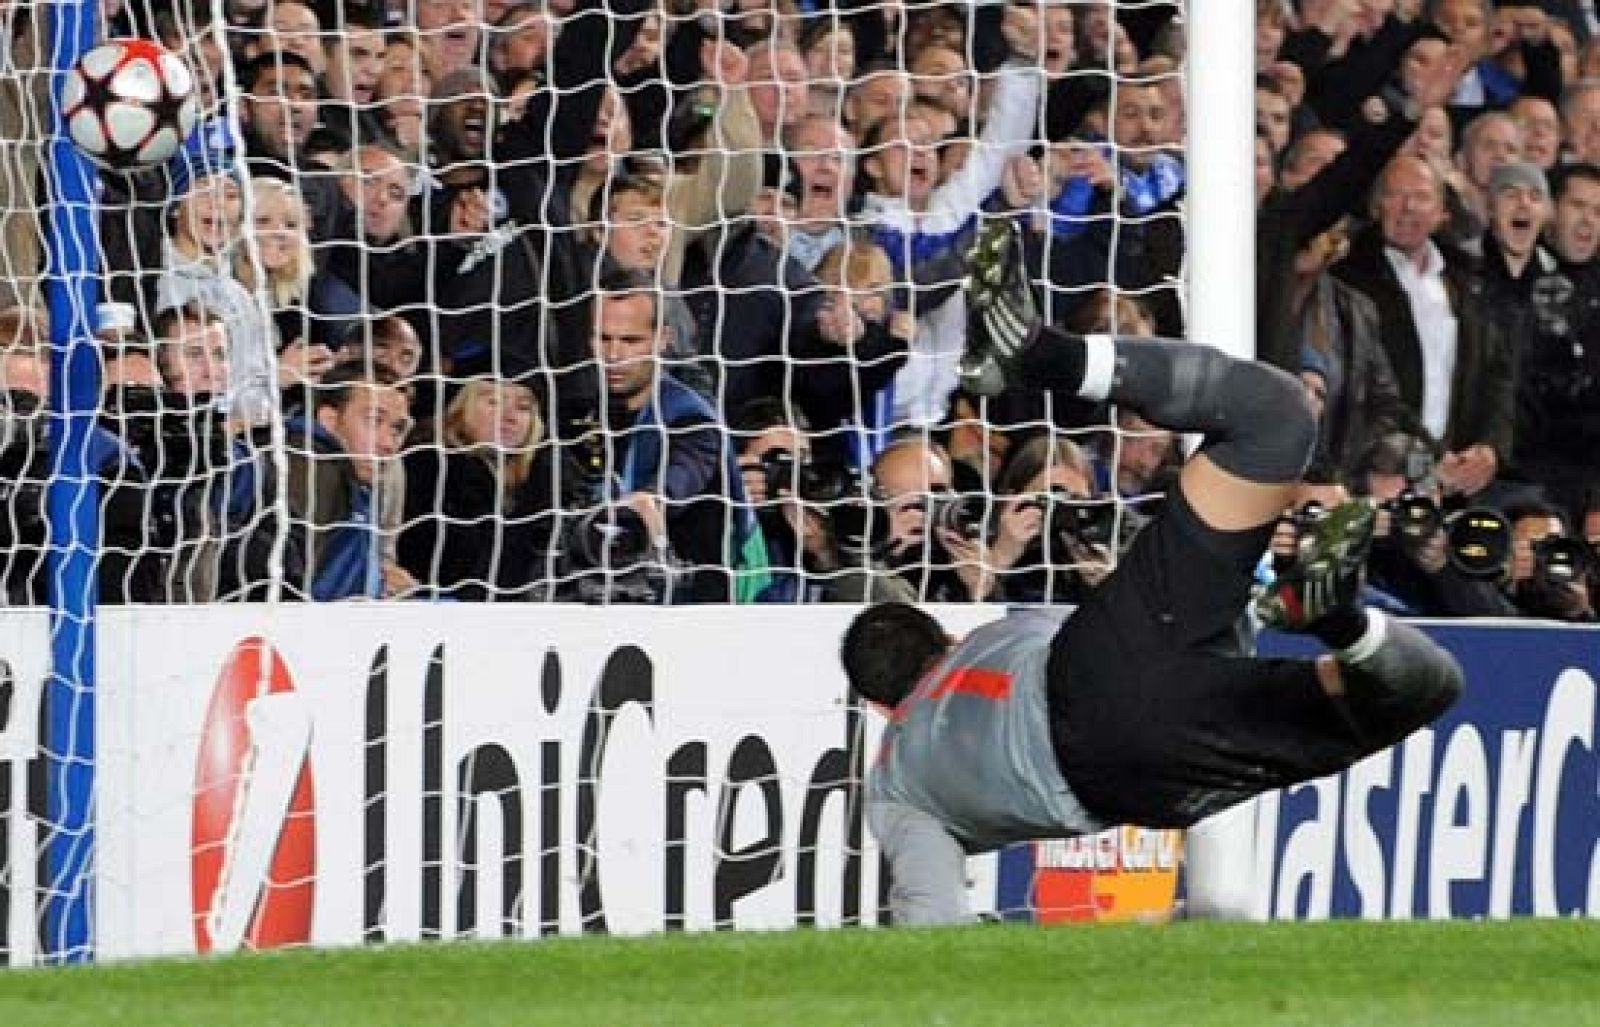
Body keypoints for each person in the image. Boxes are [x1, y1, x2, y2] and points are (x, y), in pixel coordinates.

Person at [844, 221, 1464, 926]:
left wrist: (988, 936)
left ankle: (1337, 619)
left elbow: (928, 914)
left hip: (1143, 770)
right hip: (1088, 672)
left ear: (880, 707)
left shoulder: (894, 780)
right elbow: (1108, 625)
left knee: (1427, 689)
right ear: (940, 640)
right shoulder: (987, 639)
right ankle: (1046, 353)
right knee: (1275, 412)